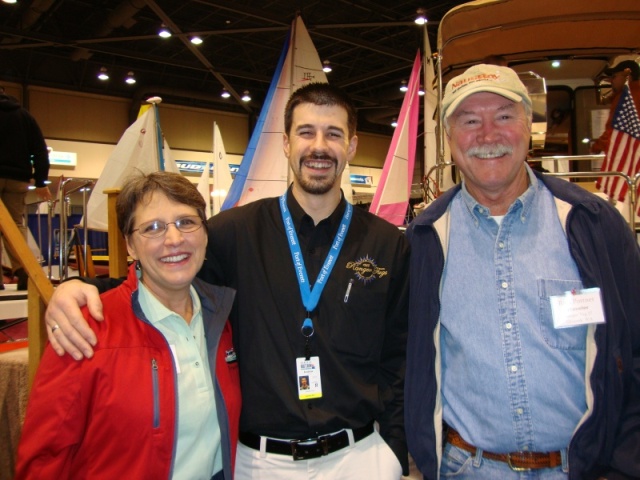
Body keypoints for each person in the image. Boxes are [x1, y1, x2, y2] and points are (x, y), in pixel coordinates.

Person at [43, 82, 410, 479]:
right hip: (262, 462)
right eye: (306, 132)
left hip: (360, 457)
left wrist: (394, 449)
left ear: (352, 146)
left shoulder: (388, 244)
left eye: (333, 134)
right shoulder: (233, 233)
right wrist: (82, 288)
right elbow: (167, 275)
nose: (318, 146)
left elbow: (400, 356)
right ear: (286, 143)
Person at [405, 64, 640, 479]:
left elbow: (633, 351)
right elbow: (406, 362)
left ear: (529, 126)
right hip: (467, 469)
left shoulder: (594, 225)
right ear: (449, 139)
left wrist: (624, 463)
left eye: (504, 117)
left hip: (581, 468)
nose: (488, 136)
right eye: (470, 120)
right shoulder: (424, 241)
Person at [15, 171, 241, 480]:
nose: (174, 239)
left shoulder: (224, 319)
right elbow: (44, 458)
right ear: (130, 246)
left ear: (204, 233)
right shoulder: (86, 329)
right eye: (153, 228)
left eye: (187, 222)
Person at [0, 86, 52, 290]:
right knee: (14, 224)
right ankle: (23, 270)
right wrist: (40, 181)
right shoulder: (24, 116)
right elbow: (40, 150)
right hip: (18, 178)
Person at [591, 59, 640, 154]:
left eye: (614, 77)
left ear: (627, 77)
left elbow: (614, 129)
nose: (611, 81)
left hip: (629, 152)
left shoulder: (625, 98)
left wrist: (596, 147)